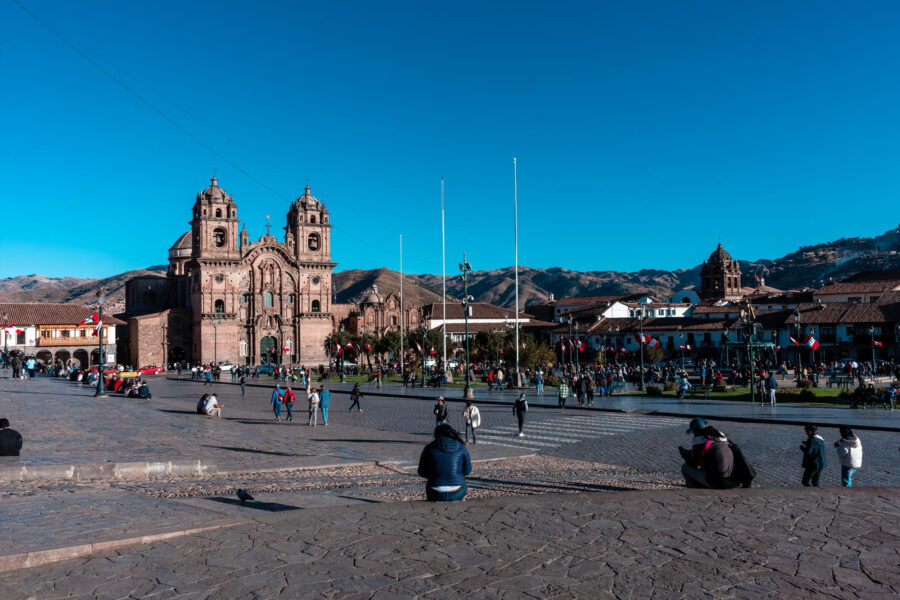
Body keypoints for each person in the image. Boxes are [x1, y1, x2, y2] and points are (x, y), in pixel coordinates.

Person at [417, 424, 472, 502]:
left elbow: (421, 472)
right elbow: (467, 470)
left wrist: (434, 476)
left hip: (435, 492)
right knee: (463, 485)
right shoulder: (461, 447)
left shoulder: (429, 447)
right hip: (457, 491)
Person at [679, 418, 736, 489]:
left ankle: (694, 488)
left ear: (696, 431)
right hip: (733, 480)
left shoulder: (700, 441)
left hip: (719, 482)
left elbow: (693, 464)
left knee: (685, 468)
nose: (693, 434)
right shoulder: (722, 439)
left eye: (693, 432)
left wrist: (685, 455)